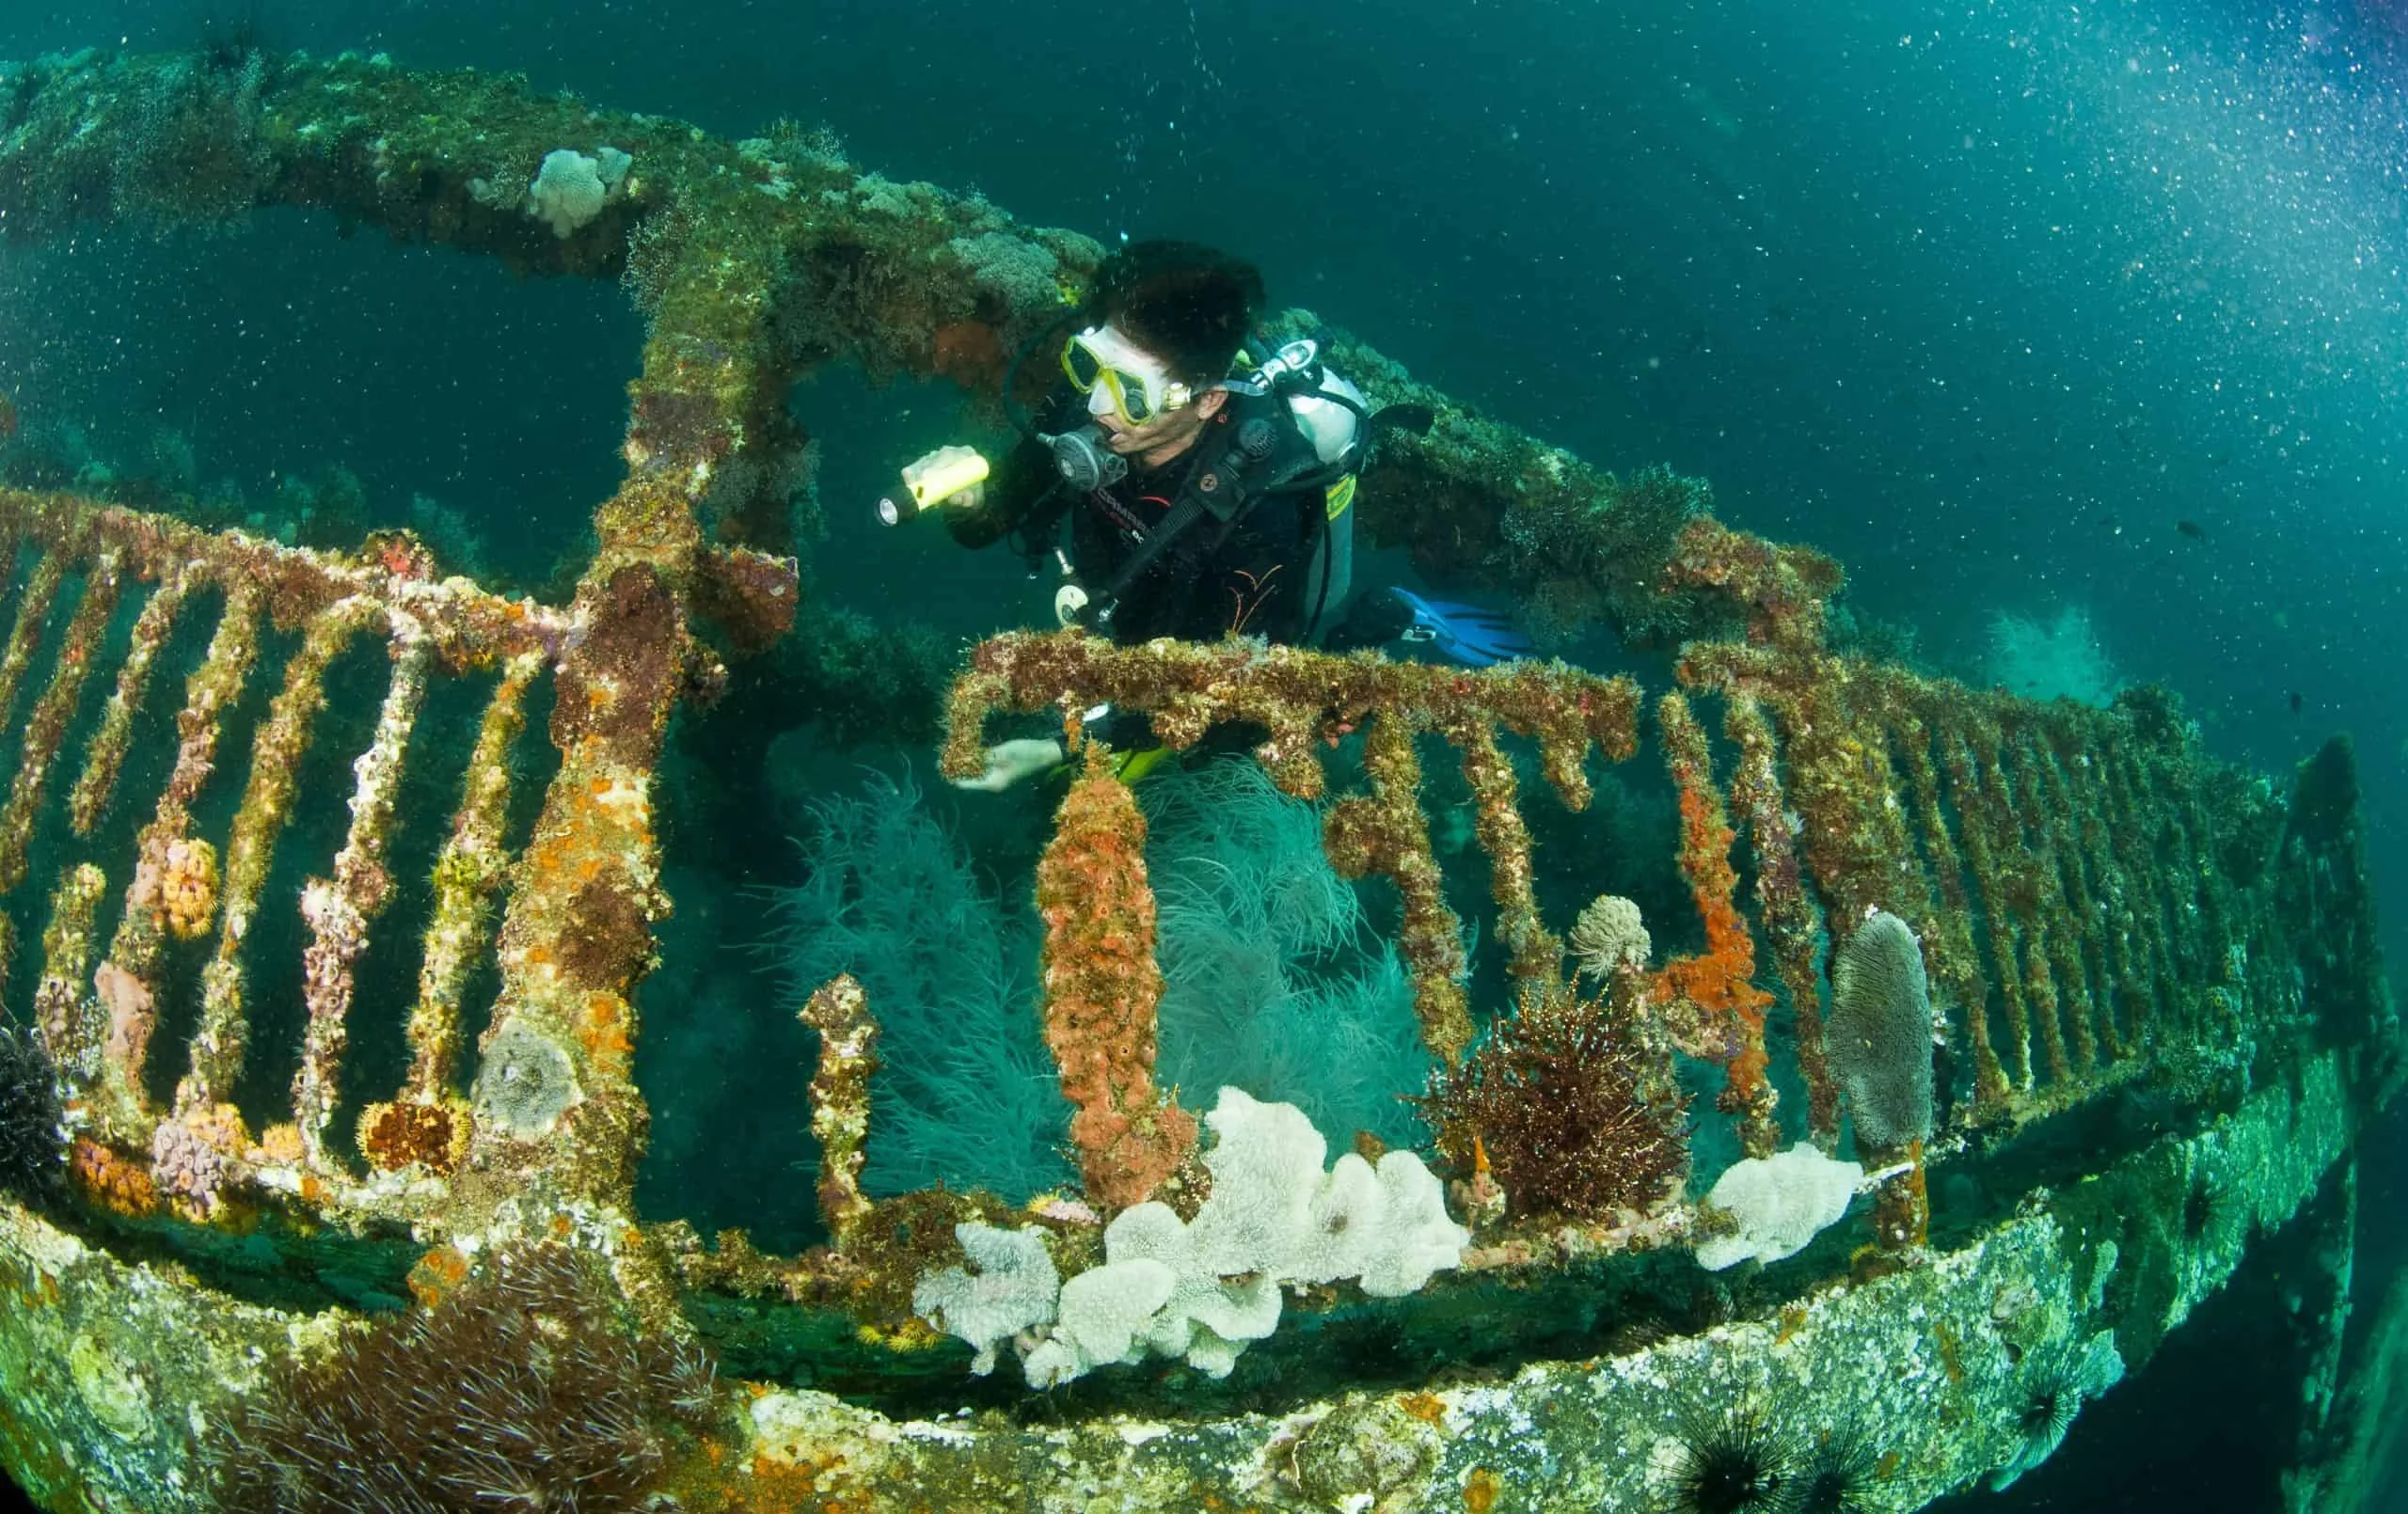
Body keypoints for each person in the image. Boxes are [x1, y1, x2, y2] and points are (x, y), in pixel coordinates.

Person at [918, 239, 1525, 791]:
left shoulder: (1263, 507)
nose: (1097, 402)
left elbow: (1217, 693)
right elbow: (987, 527)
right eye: (1087, 365)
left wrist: (1055, 749)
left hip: (1236, 630)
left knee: (1239, 744)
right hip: (1135, 600)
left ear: (1208, 399)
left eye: (1131, 391)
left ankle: (1392, 615)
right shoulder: (1091, 405)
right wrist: (968, 500)